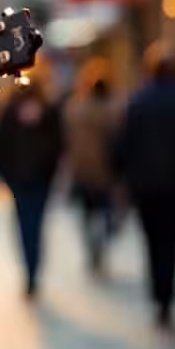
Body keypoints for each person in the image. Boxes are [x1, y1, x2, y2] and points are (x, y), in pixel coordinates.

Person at [117, 42, 175, 331]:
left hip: (144, 184)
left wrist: (122, 175)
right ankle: (167, 296)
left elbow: (124, 145)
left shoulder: (139, 101)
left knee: (151, 240)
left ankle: (159, 294)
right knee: (170, 239)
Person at [0, 65, 63, 298]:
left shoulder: (10, 110)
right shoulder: (49, 109)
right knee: (36, 225)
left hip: (20, 180)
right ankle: (33, 270)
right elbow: (58, 145)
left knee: (24, 225)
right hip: (39, 180)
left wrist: (7, 176)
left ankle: (30, 271)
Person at [63, 58, 122, 277]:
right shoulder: (115, 109)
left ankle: (93, 248)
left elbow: (68, 140)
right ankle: (100, 248)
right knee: (107, 213)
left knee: (87, 215)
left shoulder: (75, 108)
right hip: (107, 172)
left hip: (82, 171)